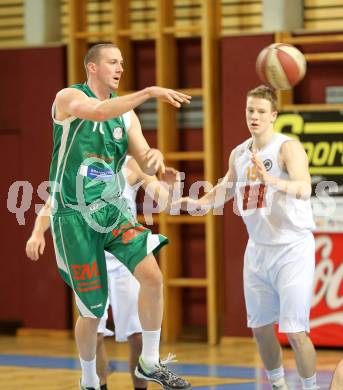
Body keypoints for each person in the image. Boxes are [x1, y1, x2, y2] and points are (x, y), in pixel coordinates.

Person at [28, 42, 192, 390]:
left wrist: (155, 160)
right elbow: (99, 111)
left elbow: (143, 157)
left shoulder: (127, 116)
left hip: (112, 213)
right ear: (92, 67)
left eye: (122, 63)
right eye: (113, 62)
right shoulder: (68, 98)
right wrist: (148, 91)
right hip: (73, 218)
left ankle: (149, 360)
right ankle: (89, 379)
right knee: (92, 311)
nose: (120, 68)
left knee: (152, 276)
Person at [177, 85, 318, 390]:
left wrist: (271, 180)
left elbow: (304, 188)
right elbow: (222, 191)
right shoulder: (239, 154)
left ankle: (310, 387)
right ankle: (279, 385)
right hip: (257, 249)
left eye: (261, 112)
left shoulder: (287, 147)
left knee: (295, 331)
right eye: (250, 110)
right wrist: (193, 204)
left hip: (292, 247)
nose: (254, 116)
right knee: (261, 328)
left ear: (273, 116)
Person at [26, 154, 181, 390]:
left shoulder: (132, 163)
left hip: (124, 257)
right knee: (94, 331)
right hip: (90, 254)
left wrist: (172, 186)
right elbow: (52, 203)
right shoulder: (78, 162)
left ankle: (141, 384)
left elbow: (167, 204)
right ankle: (98, 385)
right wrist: (38, 232)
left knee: (137, 334)